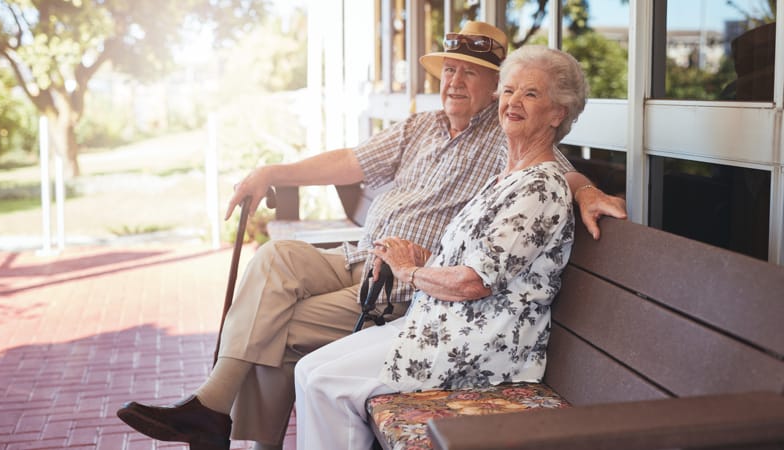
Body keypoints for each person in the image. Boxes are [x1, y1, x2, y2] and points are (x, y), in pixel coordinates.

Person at [117, 22, 624, 450]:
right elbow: (350, 161)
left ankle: (229, 426)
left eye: (471, 72)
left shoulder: (504, 137)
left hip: (401, 285)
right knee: (275, 259)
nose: (455, 80)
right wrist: (272, 171)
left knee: (275, 329)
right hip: (361, 253)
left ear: (492, 85)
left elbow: (555, 170)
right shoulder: (421, 127)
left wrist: (586, 192)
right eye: (450, 68)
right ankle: (211, 407)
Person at [294, 44, 585, 450]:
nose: (513, 102)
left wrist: (409, 272)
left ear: (558, 113)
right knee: (308, 370)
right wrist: (418, 257)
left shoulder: (539, 187)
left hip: (479, 349)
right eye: (508, 91)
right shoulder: (507, 177)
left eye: (530, 94)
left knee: (327, 384)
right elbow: (478, 263)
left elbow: (473, 283)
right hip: (437, 327)